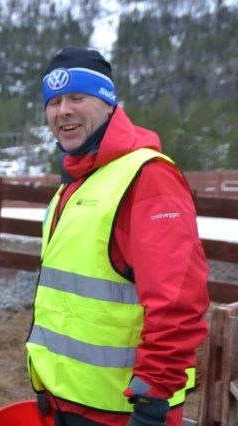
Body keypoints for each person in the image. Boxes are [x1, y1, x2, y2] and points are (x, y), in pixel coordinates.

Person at [26, 47, 210, 426]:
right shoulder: (72, 185)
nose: (64, 110)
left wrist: (152, 400)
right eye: (54, 101)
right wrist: (48, 386)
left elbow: (177, 302)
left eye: (77, 97)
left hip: (125, 411)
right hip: (68, 400)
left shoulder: (148, 177)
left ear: (109, 103)